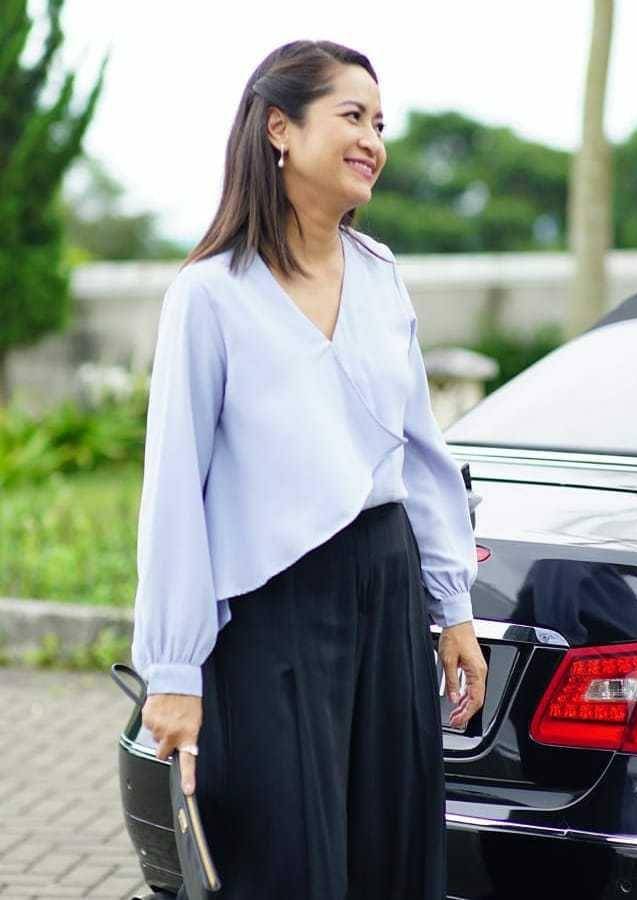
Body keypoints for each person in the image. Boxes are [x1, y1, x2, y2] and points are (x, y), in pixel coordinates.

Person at [131, 39, 488, 900]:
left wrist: (453, 608)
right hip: (271, 610)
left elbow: (420, 451)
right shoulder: (210, 295)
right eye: (352, 116)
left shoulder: (381, 275)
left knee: (391, 855)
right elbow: (174, 492)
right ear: (279, 129)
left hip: (386, 586)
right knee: (286, 863)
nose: (373, 141)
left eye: (381, 124)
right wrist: (173, 673)